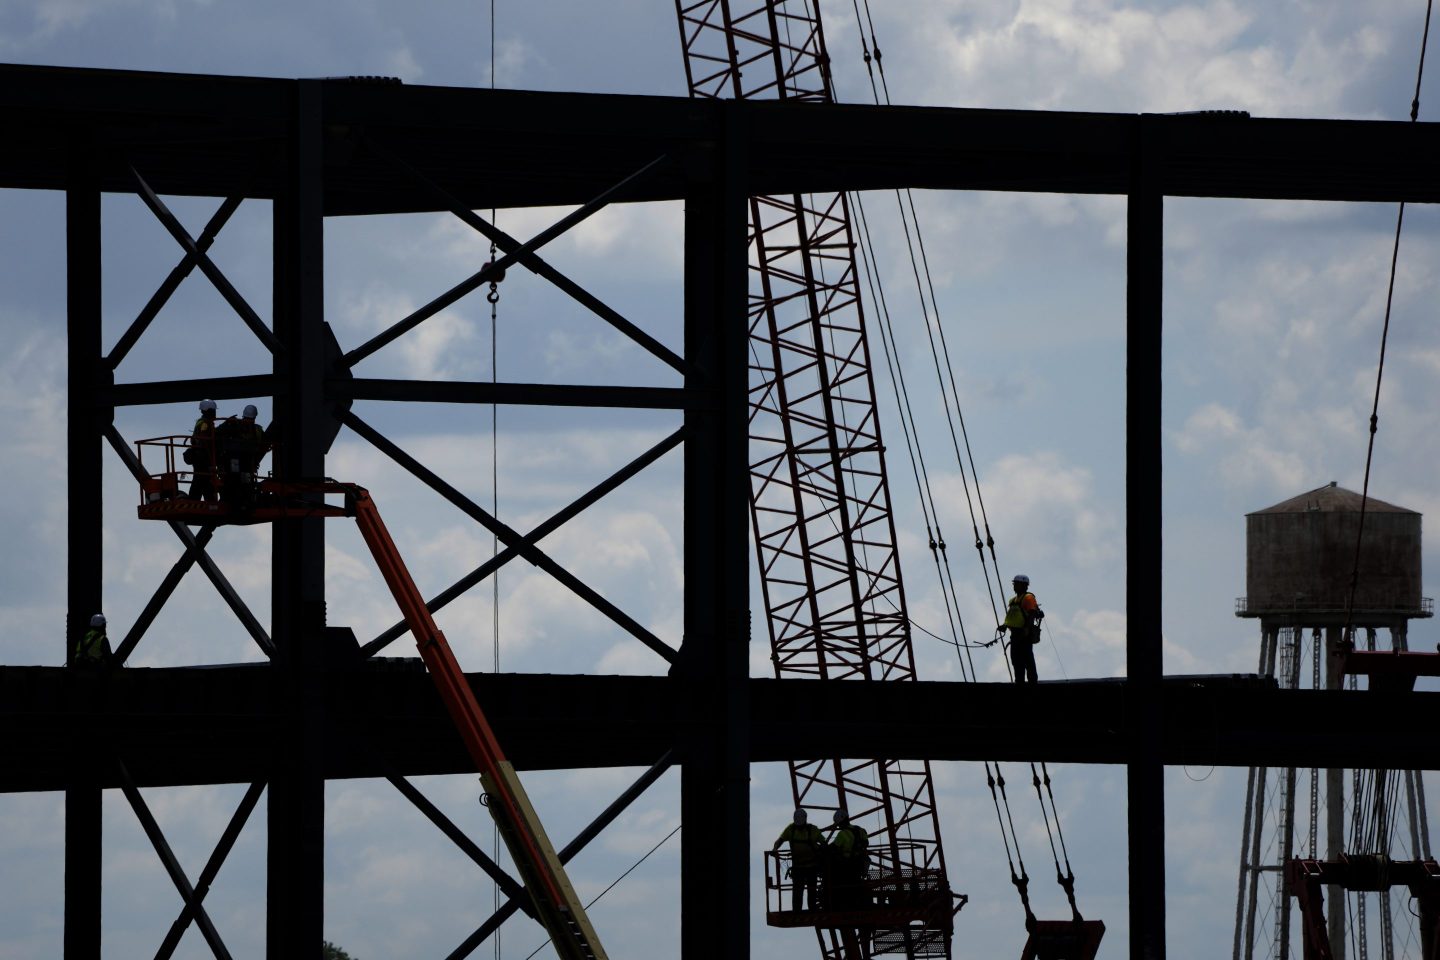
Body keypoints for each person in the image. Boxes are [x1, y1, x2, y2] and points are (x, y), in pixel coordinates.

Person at [216, 403, 269, 510]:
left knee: (239, 480)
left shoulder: (236, 424)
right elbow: (265, 443)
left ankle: (239, 501)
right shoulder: (253, 429)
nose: (248, 422)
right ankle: (240, 501)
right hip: (240, 460)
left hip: (240, 460)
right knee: (239, 480)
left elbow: (217, 435)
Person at [773, 808, 824, 911]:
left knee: (811, 890)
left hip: (811, 866)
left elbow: (824, 844)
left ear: (805, 820)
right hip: (798, 866)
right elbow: (780, 840)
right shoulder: (791, 829)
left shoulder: (813, 830)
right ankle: (797, 910)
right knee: (797, 891)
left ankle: (812, 909)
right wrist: (775, 849)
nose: (799, 827)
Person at [998, 573, 1044, 684]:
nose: (1014, 586)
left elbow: (1032, 614)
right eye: (1014, 584)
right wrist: (1005, 626)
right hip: (1015, 635)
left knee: (1027, 659)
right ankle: (1019, 682)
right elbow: (1011, 617)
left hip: (1024, 634)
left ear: (1024, 585)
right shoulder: (1013, 600)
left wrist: (1026, 629)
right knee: (1016, 660)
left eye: (1017, 584)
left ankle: (1032, 682)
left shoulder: (1028, 598)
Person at [828, 809, 870, 908]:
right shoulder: (860, 829)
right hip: (859, 863)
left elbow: (833, 847)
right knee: (855, 884)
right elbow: (866, 843)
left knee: (842, 884)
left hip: (847, 865)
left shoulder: (842, 834)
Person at [185, 399, 219, 500]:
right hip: (202, 457)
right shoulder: (205, 423)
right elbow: (205, 441)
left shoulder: (204, 422)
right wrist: (211, 460)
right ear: (207, 411)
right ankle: (197, 500)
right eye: (212, 410)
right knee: (201, 479)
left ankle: (204, 500)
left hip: (200, 456)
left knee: (203, 480)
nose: (214, 413)